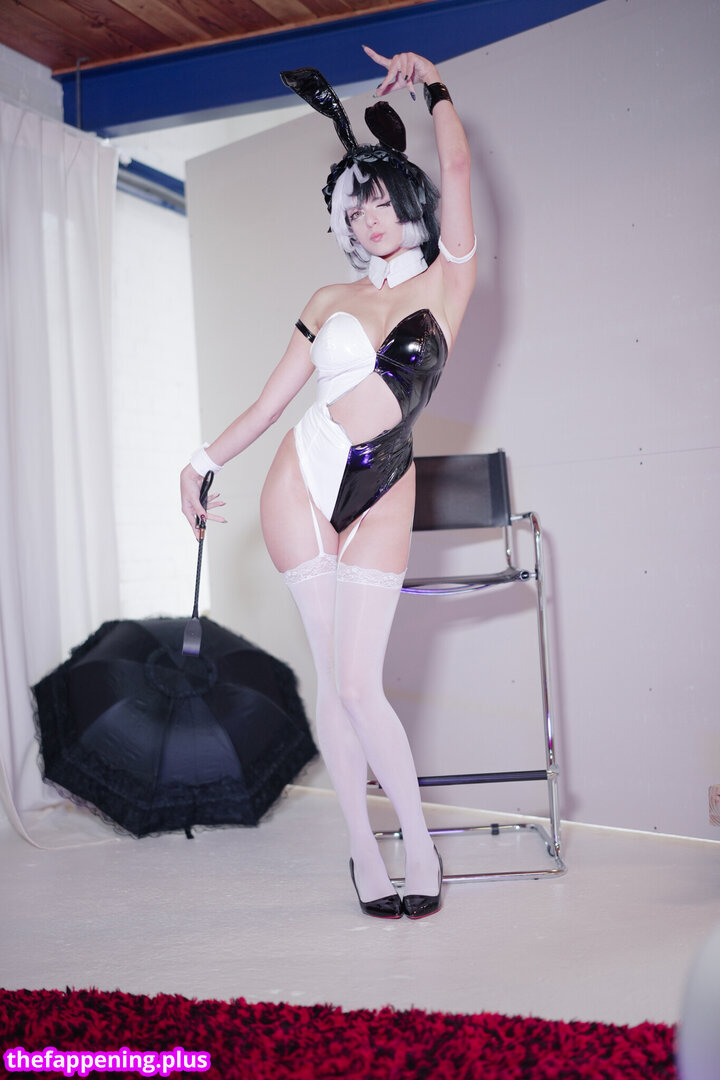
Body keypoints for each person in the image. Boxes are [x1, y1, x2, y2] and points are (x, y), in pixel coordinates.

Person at [180, 47, 476, 919]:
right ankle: (363, 849)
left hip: (386, 484)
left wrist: (434, 85)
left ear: (409, 201)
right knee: (330, 678)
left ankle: (418, 846)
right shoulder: (327, 298)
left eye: (381, 200)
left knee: (358, 685)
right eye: (356, 204)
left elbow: (458, 164)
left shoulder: (449, 281)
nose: (369, 216)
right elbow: (270, 405)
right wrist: (199, 463)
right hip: (299, 483)